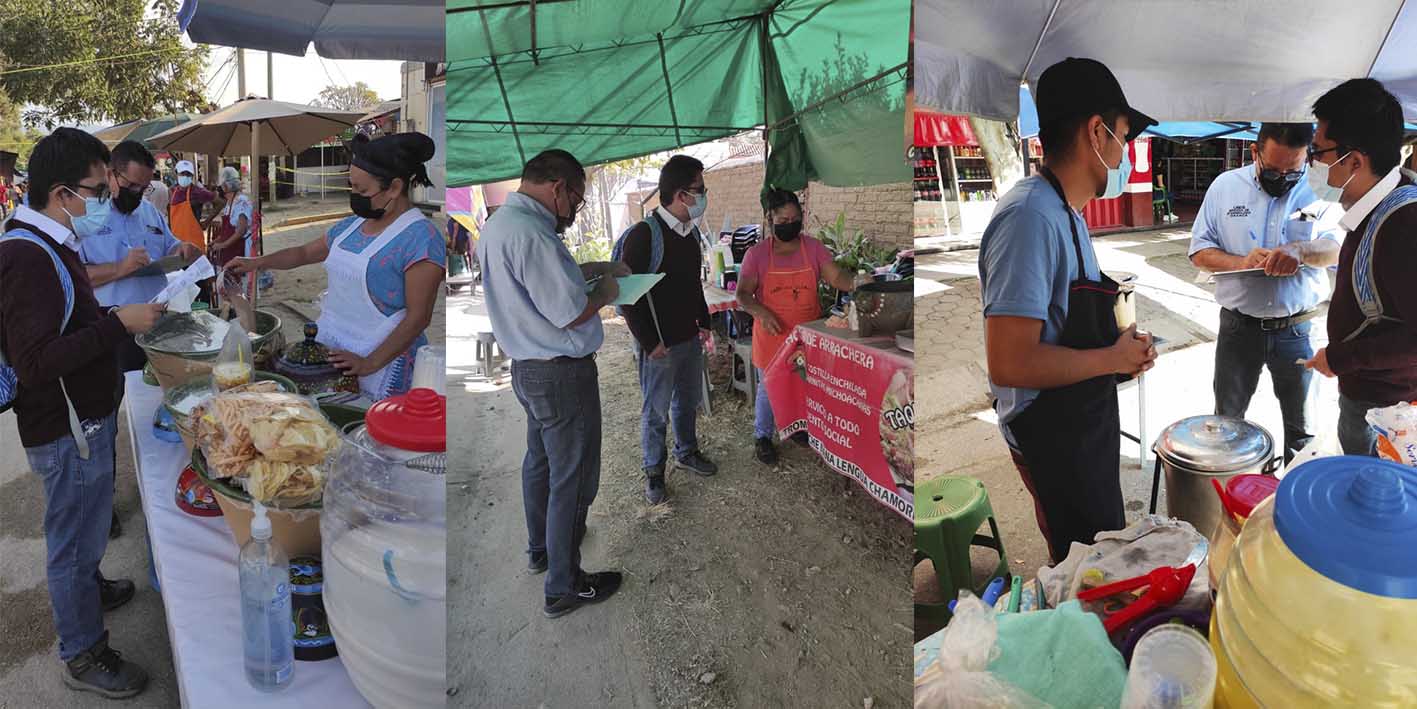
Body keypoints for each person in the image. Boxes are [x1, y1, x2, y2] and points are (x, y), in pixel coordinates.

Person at [0, 127, 165, 699]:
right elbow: (36, 362)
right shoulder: (26, 256)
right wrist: (118, 324)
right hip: (64, 428)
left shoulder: (52, 240)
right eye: (98, 190)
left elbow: (71, 321)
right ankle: (83, 653)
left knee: (89, 527)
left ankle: (89, 588)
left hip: (84, 416)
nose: (105, 198)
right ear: (61, 193)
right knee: (71, 542)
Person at [978, 58, 1158, 563]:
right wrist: (1111, 359)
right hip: (1050, 435)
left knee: (1101, 553)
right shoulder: (1028, 218)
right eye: (1124, 137)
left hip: (1081, 420)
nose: (1124, 154)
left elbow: (1063, 323)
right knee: (1081, 566)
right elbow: (1010, 362)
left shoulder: (1067, 213)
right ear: (1097, 133)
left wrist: (1122, 350)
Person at [476, 148, 628, 619]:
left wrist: (593, 270)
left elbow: (540, 285)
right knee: (573, 477)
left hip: (529, 368)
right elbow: (568, 311)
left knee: (541, 462)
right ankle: (564, 585)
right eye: (576, 200)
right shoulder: (533, 234)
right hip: (561, 372)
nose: (574, 211)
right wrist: (607, 292)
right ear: (558, 188)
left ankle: (542, 547)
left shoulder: (501, 225)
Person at [227, 132, 443, 401]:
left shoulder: (421, 239)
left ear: (394, 188)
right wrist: (257, 262)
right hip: (335, 351)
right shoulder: (351, 226)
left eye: (362, 191)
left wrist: (369, 363)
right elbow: (303, 253)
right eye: (351, 187)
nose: (355, 196)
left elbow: (418, 317)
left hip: (386, 364)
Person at [1188, 123, 1343, 462]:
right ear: (1254, 152)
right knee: (1227, 423)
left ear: (1307, 158)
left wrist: (1300, 251)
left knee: (1303, 433)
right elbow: (1199, 251)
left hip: (1297, 330)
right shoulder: (1225, 187)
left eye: (1293, 171)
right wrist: (1241, 262)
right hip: (1238, 328)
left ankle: (1294, 492)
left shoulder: (1322, 190)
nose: (1282, 178)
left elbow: (1335, 249)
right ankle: (1231, 490)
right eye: (1273, 170)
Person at [1303, 78, 1417, 457]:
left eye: (1317, 151)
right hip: (1367, 398)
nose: (1312, 163)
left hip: (1388, 413)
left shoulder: (1405, 223)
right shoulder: (1375, 209)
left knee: (1374, 491)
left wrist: (1341, 358)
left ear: (1354, 161)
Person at [737, 188, 865, 464]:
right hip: (772, 335)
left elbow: (837, 278)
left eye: (795, 219)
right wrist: (761, 312)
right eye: (783, 220)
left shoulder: (813, 248)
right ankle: (762, 435)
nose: (790, 224)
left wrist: (860, 282)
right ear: (770, 219)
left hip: (806, 336)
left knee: (802, 383)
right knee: (769, 388)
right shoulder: (757, 255)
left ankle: (797, 428)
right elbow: (743, 294)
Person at [620, 155, 718, 504]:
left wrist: (704, 322)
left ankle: (687, 451)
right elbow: (626, 297)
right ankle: (654, 472)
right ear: (681, 195)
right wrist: (650, 343)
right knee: (656, 411)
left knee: (687, 401)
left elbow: (693, 285)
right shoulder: (645, 235)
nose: (703, 196)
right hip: (659, 345)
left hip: (688, 338)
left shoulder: (690, 234)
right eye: (700, 190)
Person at [210, 166, 254, 270]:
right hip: (230, 251)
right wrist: (217, 240)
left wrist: (222, 245)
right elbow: (228, 231)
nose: (219, 189)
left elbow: (241, 231)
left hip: (241, 250)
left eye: (221, 186)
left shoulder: (241, 202)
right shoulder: (229, 203)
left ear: (226, 187)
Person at [167, 159, 215, 251]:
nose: (185, 176)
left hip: (194, 242)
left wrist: (207, 221)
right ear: (176, 173)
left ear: (192, 176)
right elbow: (170, 215)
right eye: (182, 173)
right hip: (176, 241)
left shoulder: (198, 192)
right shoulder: (172, 191)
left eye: (188, 174)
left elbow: (220, 202)